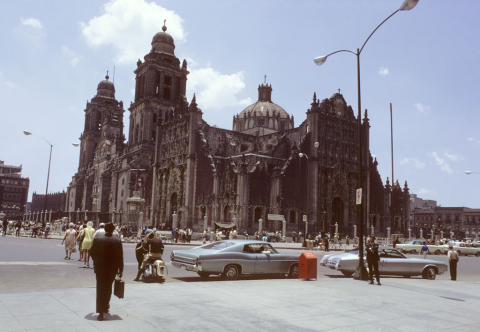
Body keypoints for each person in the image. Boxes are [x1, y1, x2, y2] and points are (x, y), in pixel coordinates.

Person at [89, 223, 124, 321]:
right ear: (113, 230)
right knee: (108, 287)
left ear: (105, 229)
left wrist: (96, 260)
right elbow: (120, 256)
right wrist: (120, 269)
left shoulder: (98, 239)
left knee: (100, 287)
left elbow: (91, 252)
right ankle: (105, 306)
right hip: (112, 269)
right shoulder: (117, 241)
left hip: (100, 268)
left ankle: (100, 312)